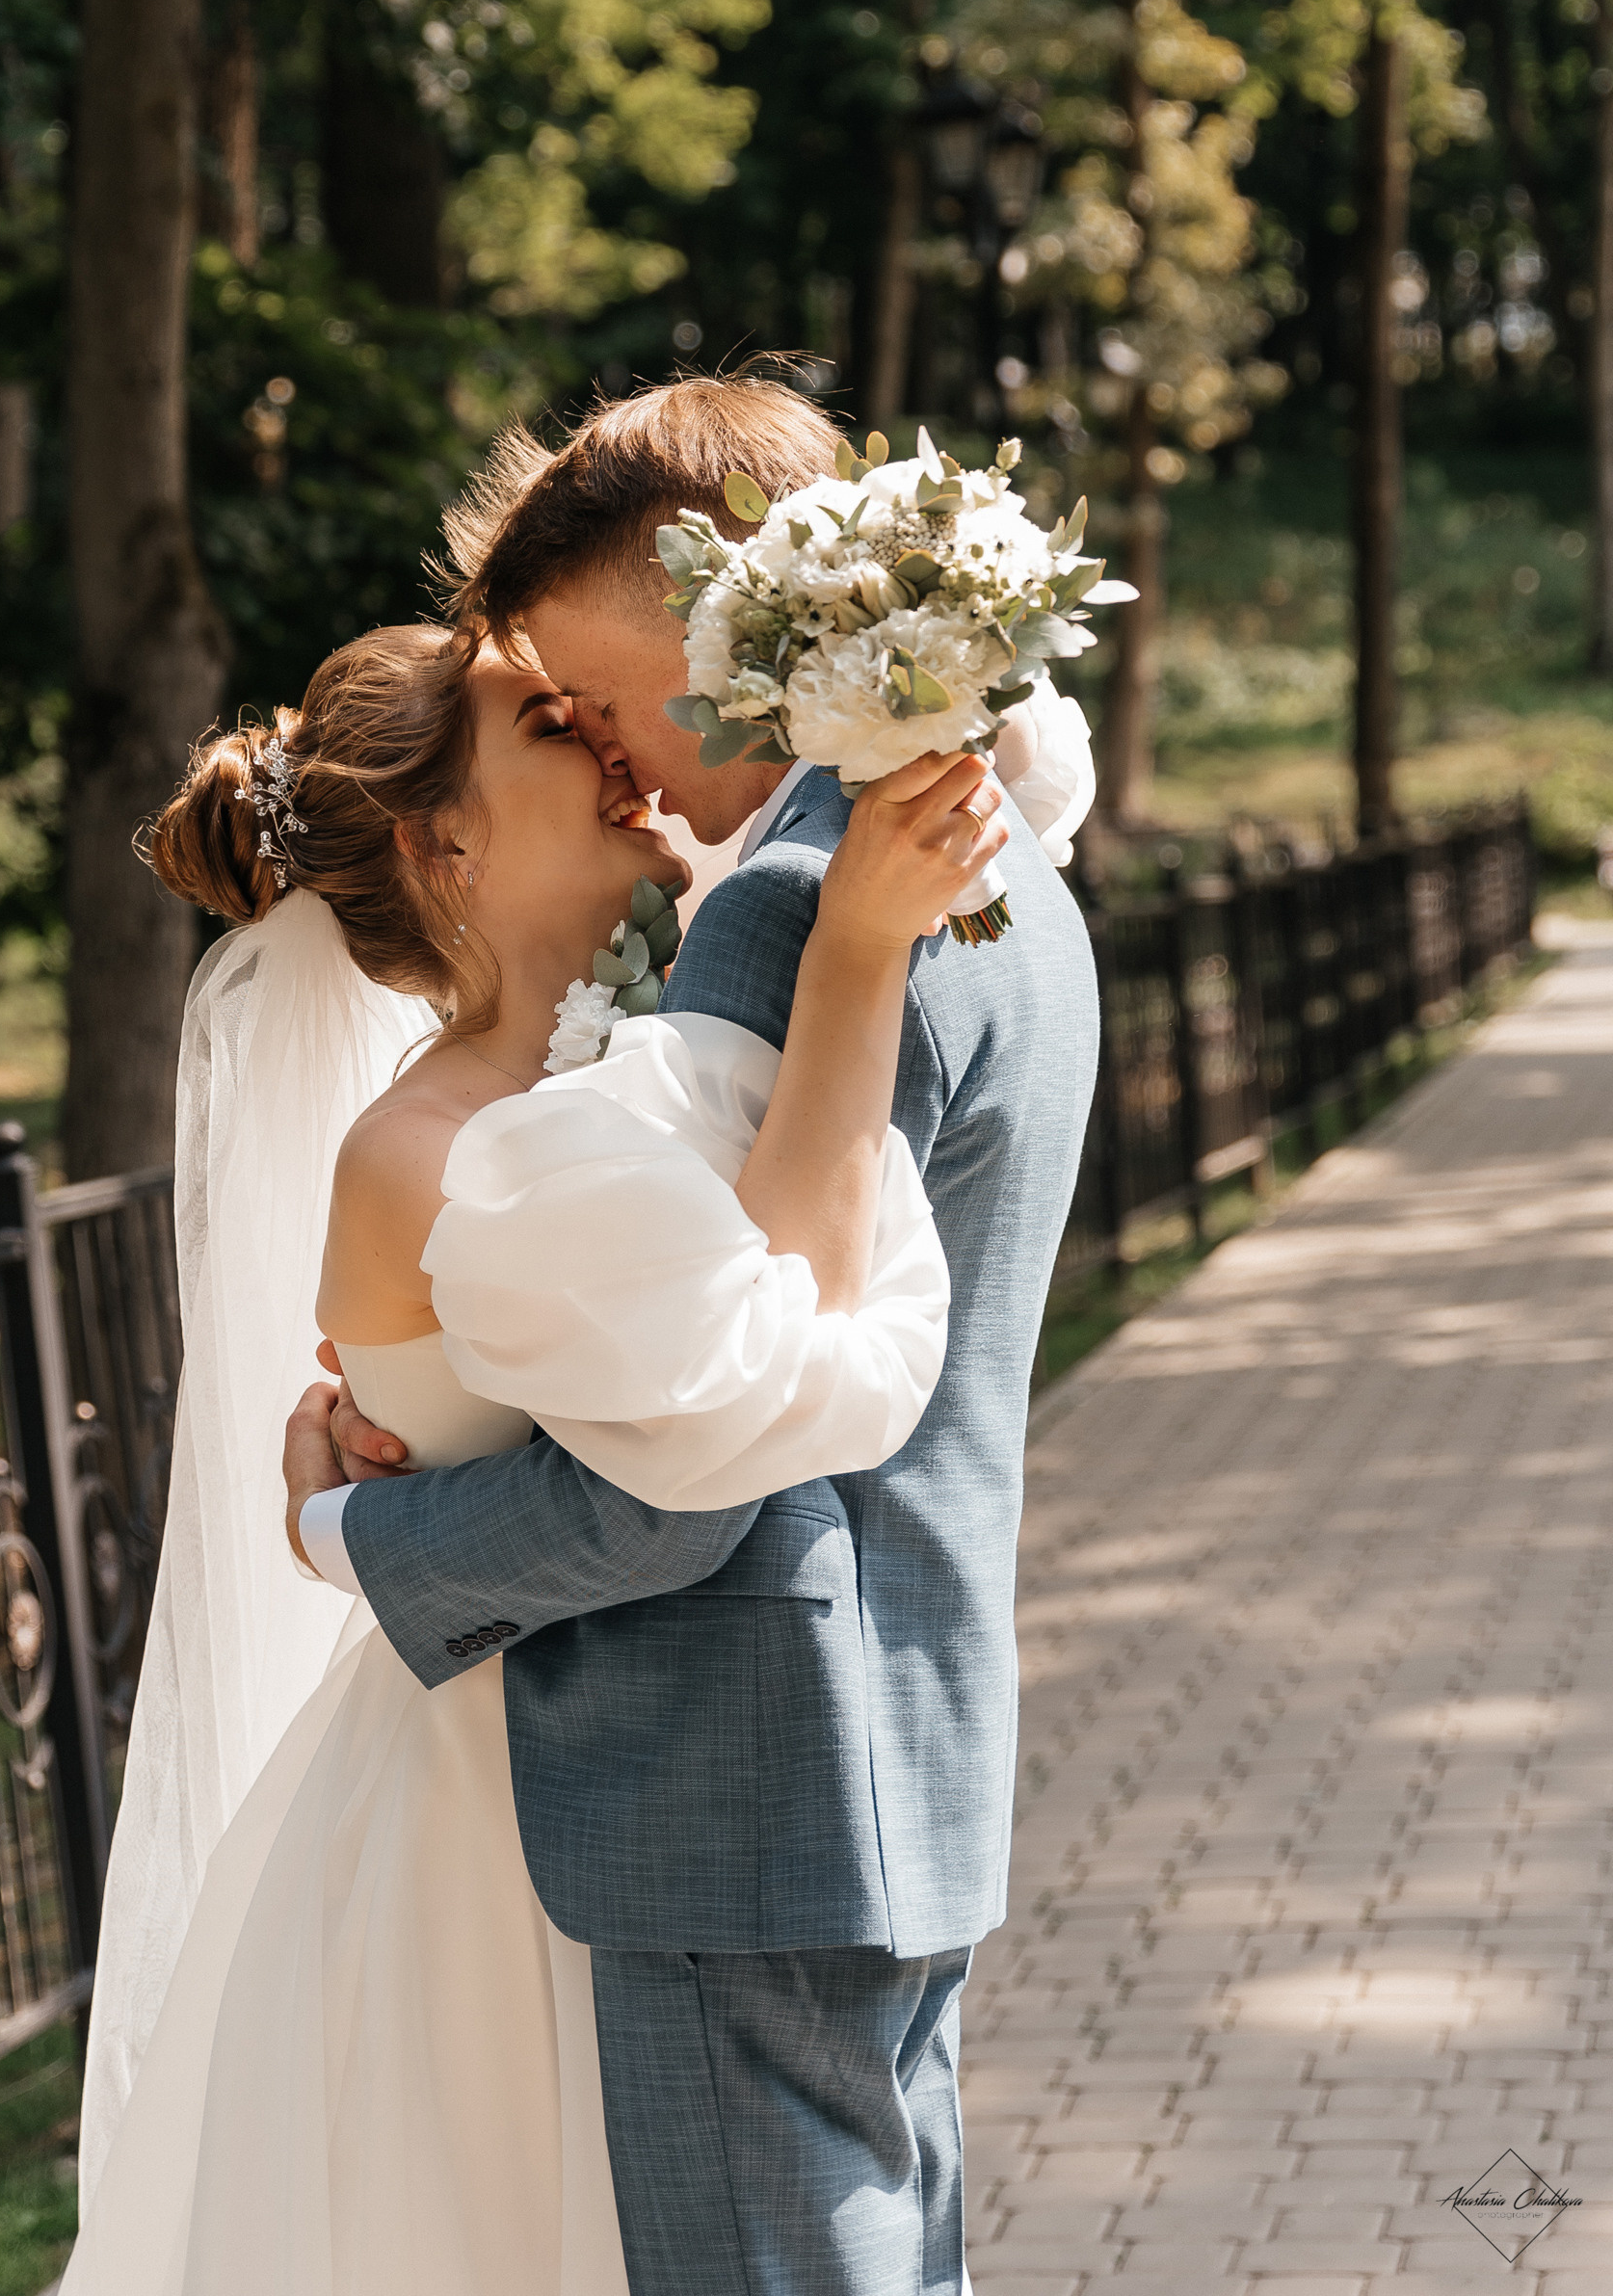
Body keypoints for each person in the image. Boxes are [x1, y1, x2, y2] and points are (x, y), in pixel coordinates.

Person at [65, 610, 1015, 2295]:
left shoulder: (607, 1068)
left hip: (615, 1787)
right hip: (512, 1839)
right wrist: (856, 949)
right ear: (447, 843)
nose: (615, 747)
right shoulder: (431, 1150)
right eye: (553, 728)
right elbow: (765, 1353)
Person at [287, 372, 1100, 2296]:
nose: (620, 755)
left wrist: (350, 1532)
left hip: (743, 1772)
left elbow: (707, 1448)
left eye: (597, 696)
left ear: (739, 625)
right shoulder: (1003, 854)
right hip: (895, 1733)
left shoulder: (815, 910)